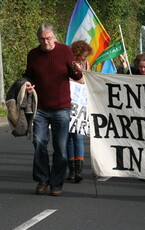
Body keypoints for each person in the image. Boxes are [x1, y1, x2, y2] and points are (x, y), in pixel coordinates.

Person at [24, 24, 83, 196]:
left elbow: (76, 76)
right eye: (42, 39)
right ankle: (43, 179)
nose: (46, 42)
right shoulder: (33, 54)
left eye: (49, 38)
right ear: (38, 39)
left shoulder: (65, 51)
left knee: (61, 149)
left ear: (54, 38)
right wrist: (27, 84)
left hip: (61, 108)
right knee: (39, 143)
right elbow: (28, 75)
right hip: (40, 108)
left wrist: (77, 71)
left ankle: (56, 183)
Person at [66, 40, 92, 183]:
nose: (84, 59)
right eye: (83, 57)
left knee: (78, 136)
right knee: (69, 137)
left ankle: (79, 171)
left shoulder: (86, 64)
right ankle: (72, 170)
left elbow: (85, 80)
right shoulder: (69, 63)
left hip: (80, 105)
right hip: (68, 102)